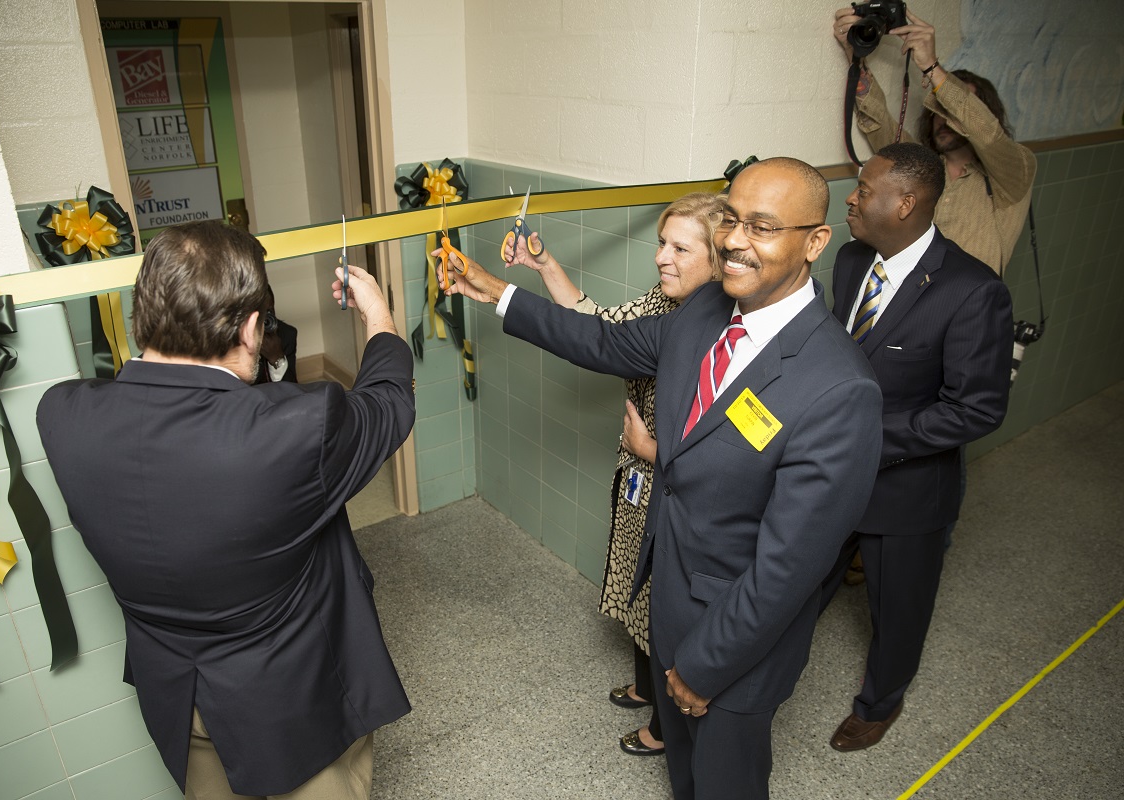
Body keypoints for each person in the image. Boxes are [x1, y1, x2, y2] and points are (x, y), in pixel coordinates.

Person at [440, 158, 883, 800]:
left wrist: (703, 668)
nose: (734, 239)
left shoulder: (840, 388)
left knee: (724, 781)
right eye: (731, 219)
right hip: (671, 599)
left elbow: (790, 567)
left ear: (815, 241)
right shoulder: (706, 313)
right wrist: (500, 294)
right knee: (683, 774)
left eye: (762, 227)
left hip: (737, 641)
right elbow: (601, 341)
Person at [37, 221, 414, 800]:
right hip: (292, 698)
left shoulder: (62, 417)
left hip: (175, 692)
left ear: (145, 316)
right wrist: (378, 317)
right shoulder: (295, 428)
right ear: (249, 327)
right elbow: (387, 402)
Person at [507, 192, 728, 757]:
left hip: (669, 481)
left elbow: (726, 446)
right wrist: (545, 268)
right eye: (661, 243)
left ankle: (662, 725)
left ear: (720, 256)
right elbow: (600, 328)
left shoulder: (721, 328)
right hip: (637, 471)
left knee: (664, 599)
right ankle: (647, 683)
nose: (661, 257)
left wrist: (654, 450)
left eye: (680, 247)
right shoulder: (665, 299)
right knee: (638, 584)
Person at [820, 143, 1014, 752]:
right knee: (799, 579)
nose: (850, 198)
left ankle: (880, 703)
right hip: (828, 471)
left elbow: (976, 408)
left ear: (904, 203)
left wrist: (873, 439)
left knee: (897, 609)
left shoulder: (971, 290)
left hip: (906, 486)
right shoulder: (852, 261)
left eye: (863, 188)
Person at [832, 6, 1037, 276]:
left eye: (953, 110)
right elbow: (879, 122)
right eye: (940, 110)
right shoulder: (924, 168)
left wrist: (932, 67)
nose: (944, 119)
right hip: (911, 299)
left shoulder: (1014, 172)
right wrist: (855, 54)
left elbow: (986, 132)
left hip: (969, 306)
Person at [255, 286, 298, 383]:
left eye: (269, 311)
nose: (265, 319)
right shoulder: (232, 340)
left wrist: (277, 358)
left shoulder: (286, 334)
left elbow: (293, 390)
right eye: (260, 314)